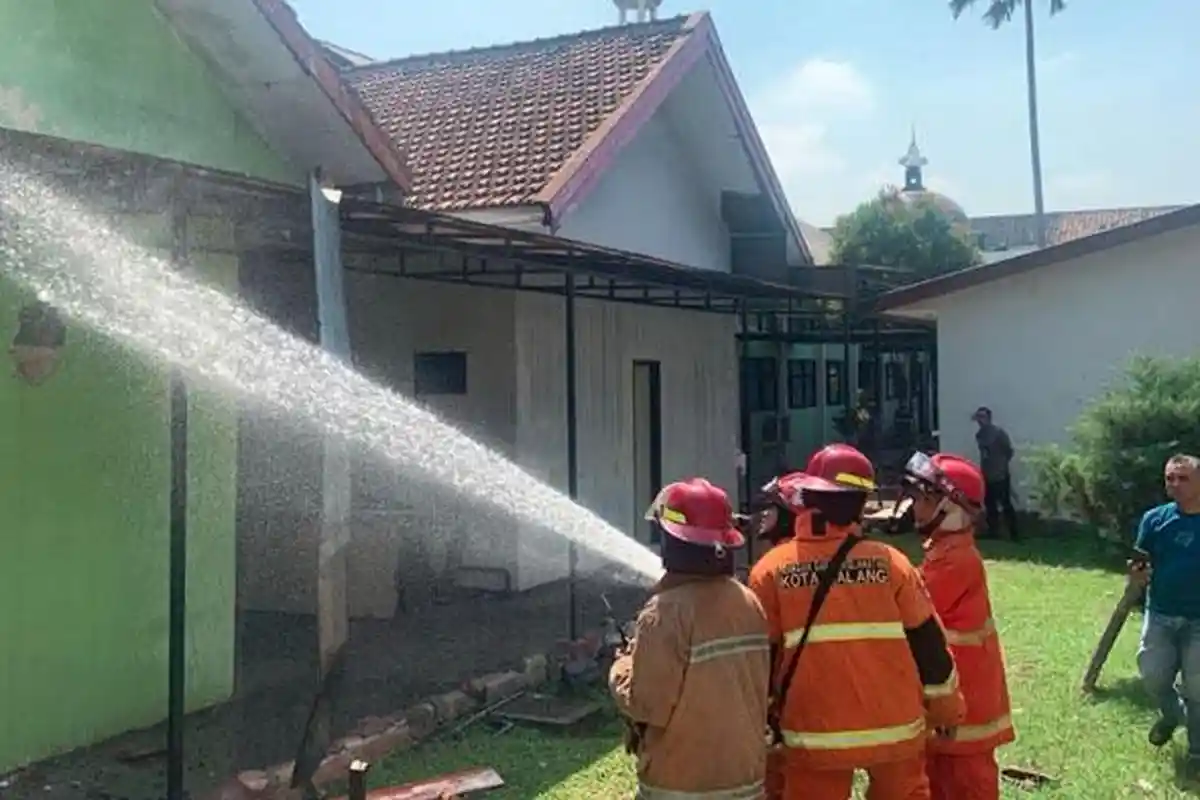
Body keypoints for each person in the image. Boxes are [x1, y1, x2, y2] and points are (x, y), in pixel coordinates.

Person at [749, 444, 965, 800]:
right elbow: (930, 648)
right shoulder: (892, 564)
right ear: (861, 502)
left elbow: (760, 663)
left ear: (807, 495)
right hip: (895, 732)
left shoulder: (770, 571)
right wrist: (947, 709)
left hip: (812, 738)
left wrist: (762, 724)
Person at [610, 477, 772, 799]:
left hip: (680, 785)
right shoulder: (748, 600)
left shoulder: (666, 612)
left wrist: (622, 667)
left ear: (672, 542)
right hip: (745, 779)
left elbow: (646, 706)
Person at [904, 452, 1015, 800]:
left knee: (967, 785)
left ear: (951, 507)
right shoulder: (943, 551)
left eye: (923, 498)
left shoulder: (956, 560)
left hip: (966, 704)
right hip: (954, 698)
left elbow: (908, 608)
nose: (915, 507)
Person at [1131, 453, 1200, 776]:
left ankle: (1198, 751)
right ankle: (1171, 716)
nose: (1175, 484)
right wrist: (1137, 573)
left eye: (1183, 478)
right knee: (1153, 676)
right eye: (1170, 478)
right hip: (1160, 612)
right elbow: (1141, 559)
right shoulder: (1155, 519)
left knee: (1197, 687)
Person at [972, 407, 1019, 541]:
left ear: (988, 418)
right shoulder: (980, 435)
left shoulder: (999, 433)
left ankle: (1013, 532)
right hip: (986, 473)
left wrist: (1001, 464)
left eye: (982, 417)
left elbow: (1008, 451)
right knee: (989, 503)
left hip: (1000, 473)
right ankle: (993, 531)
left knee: (1005, 503)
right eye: (978, 417)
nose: (980, 420)